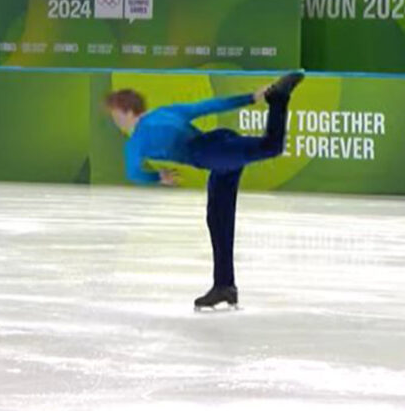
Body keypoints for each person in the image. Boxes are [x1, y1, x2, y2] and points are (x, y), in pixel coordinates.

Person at [105, 72, 304, 310]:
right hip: (218, 150)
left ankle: (280, 97)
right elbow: (209, 106)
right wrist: (250, 98)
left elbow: (133, 173)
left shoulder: (136, 141)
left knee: (271, 146)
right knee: (218, 218)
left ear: (127, 112)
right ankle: (224, 286)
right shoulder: (167, 111)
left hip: (208, 154)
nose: (116, 121)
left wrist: (158, 176)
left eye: (116, 116)